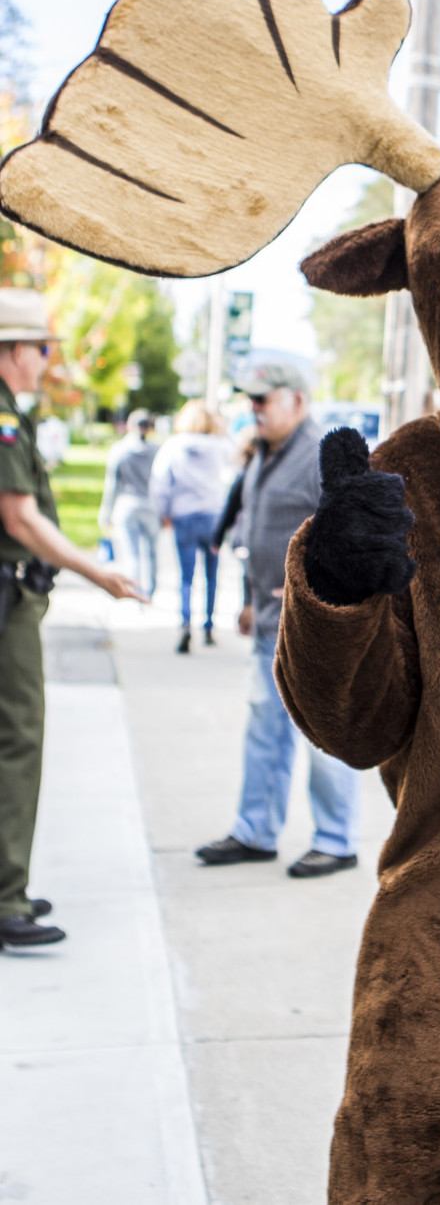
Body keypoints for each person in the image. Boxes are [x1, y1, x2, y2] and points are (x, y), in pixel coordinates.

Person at [0, 288, 145, 950]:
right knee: (17, 740)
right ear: (12, 352)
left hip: (14, 596)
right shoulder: (4, 418)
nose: (46, 360)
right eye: (40, 348)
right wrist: (99, 572)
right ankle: (6, 898)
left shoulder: (14, 415)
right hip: (9, 602)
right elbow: (20, 517)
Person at [194, 357, 361, 879]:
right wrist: (251, 599)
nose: (255, 408)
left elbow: (356, 537)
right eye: (250, 399)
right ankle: (255, 832)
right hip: (269, 622)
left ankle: (335, 841)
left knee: (323, 737)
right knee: (264, 729)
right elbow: (257, 532)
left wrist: (308, 583)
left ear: (297, 400)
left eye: (263, 399)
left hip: (316, 628)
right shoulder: (263, 452)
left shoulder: (323, 456)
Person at [150, 400, 229, 653]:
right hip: (214, 516)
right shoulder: (221, 447)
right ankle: (209, 626)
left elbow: (160, 483)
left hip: (184, 515)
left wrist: (164, 512)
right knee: (211, 575)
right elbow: (232, 480)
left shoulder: (173, 446)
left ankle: (185, 625)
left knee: (186, 577)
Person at [99, 408, 160, 600]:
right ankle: (150, 591)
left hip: (127, 505)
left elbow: (112, 485)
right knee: (152, 552)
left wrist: (106, 512)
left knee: (132, 554)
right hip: (151, 506)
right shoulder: (157, 450)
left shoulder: (119, 450)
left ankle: (135, 591)